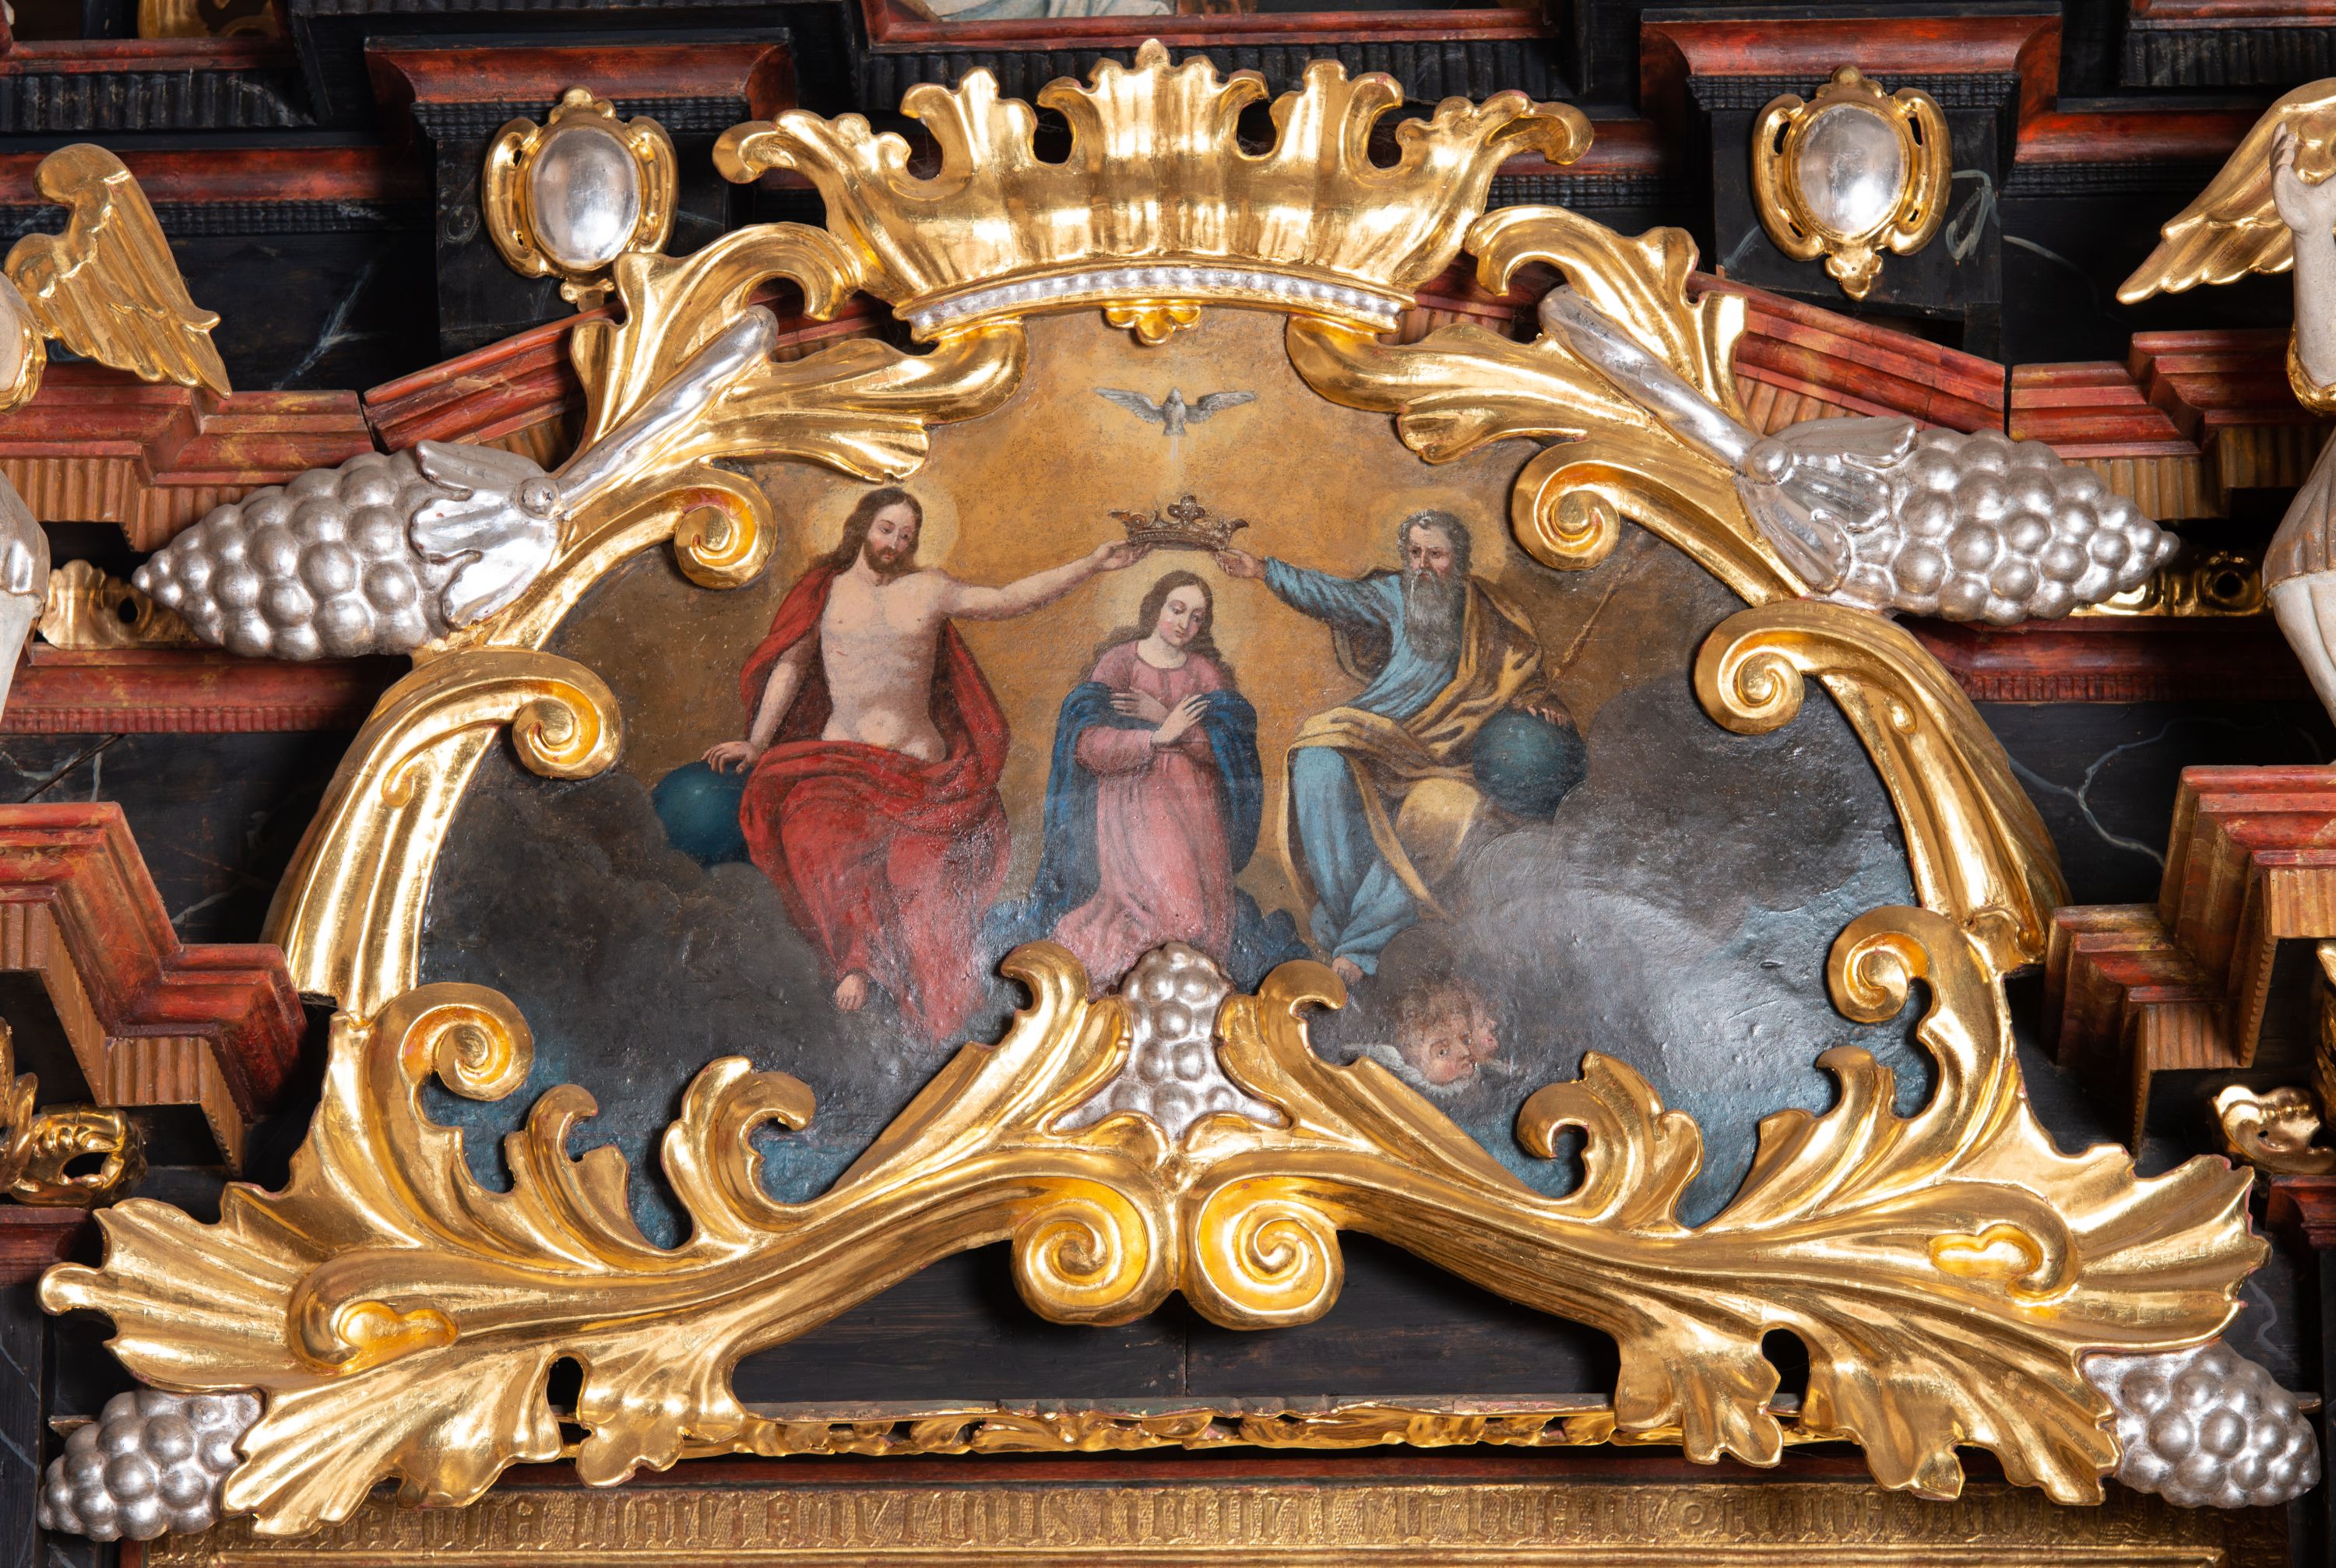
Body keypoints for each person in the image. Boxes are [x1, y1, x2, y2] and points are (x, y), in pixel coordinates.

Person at [704, 487, 1145, 1042]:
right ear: (863, 527)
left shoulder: (929, 589)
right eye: (887, 529)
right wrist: (757, 743)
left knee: (923, 892)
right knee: (817, 839)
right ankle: (856, 963)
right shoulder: (825, 592)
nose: (895, 543)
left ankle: (937, 1026)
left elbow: (1008, 599)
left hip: (923, 776)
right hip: (840, 764)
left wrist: (1091, 564)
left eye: (907, 535)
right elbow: (791, 667)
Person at [1215, 511, 1575, 986]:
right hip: (1385, 729)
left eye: (1436, 554)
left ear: (1459, 560)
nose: (1423, 566)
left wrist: (1541, 701)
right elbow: (1335, 596)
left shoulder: (1493, 614)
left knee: (1435, 817)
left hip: (1455, 754)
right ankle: (1348, 919)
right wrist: (1265, 571)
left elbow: (1522, 675)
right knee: (1316, 757)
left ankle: (1361, 946)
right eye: (1415, 554)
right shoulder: (1394, 595)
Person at [999, 571, 1288, 993]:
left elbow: (1228, 751)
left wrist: (1167, 722)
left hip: (1198, 813)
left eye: (1196, 617)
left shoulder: (1206, 674)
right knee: (1176, 920)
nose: (1185, 624)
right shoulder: (1120, 663)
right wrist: (1154, 738)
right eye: (1177, 609)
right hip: (1135, 811)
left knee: (1203, 929)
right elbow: (1088, 746)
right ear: (1156, 607)